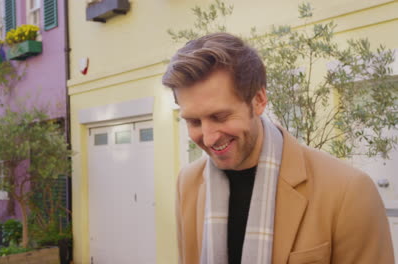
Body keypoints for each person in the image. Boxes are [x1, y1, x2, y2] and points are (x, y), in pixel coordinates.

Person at [162, 32, 394, 264]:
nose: (209, 138)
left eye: (220, 116)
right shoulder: (188, 184)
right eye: (193, 122)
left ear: (259, 100)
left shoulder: (347, 191)